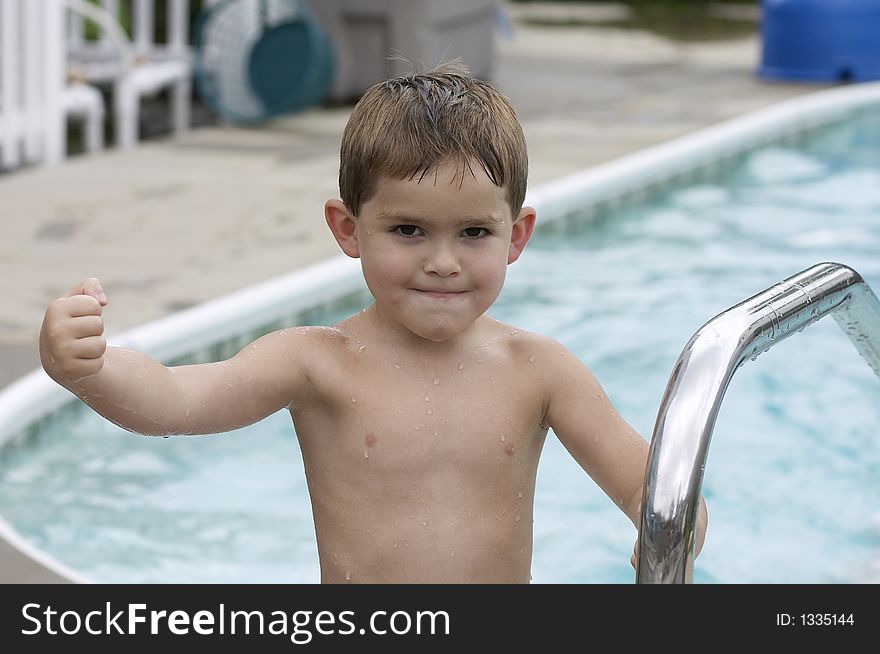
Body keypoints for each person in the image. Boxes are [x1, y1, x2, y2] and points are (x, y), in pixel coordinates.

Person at [39, 62, 707, 583]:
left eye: (474, 232)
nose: (442, 262)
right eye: (408, 230)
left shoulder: (540, 371)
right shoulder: (316, 362)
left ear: (517, 235)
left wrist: (675, 534)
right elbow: (178, 402)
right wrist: (92, 369)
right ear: (348, 229)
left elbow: (652, 486)